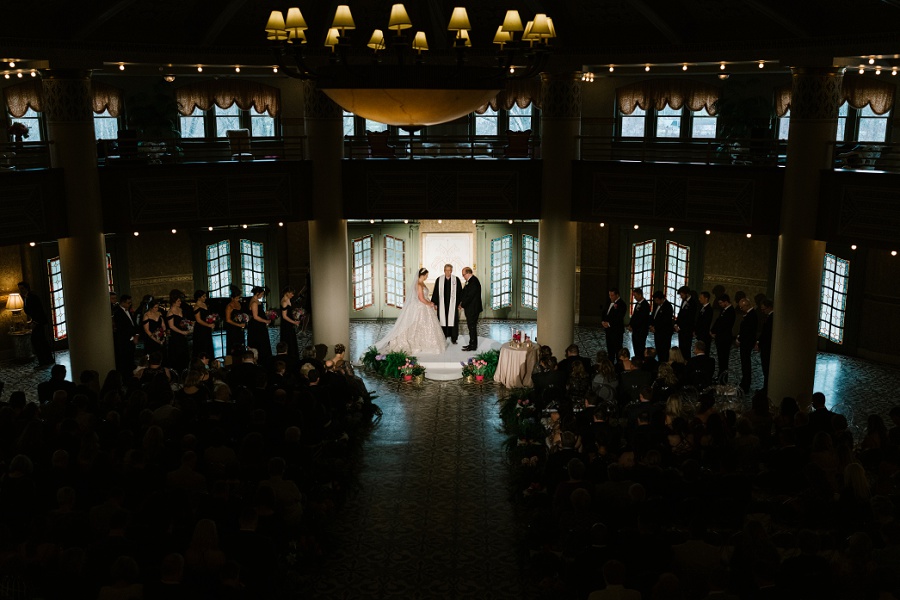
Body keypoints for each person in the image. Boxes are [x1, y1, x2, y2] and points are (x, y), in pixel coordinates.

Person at [374, 268, 446, 355]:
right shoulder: (419, 284)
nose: (427, 277)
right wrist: (429, 304)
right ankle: (417, 343)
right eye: (426, 275)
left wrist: (430, 303)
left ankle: (423, 343)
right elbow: (421, 298)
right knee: (419, 325)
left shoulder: (422, 283)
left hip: (425, 306)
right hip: (421, 307)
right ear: (423, 275)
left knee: (425, 326)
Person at [17, 281, 54, 366]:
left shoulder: (33, 297)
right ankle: (47, 360)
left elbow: (38, 311)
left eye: (22, 288)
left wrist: (35, 322)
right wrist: (31, 321)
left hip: (39, 322)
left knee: (37, 341)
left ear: (26, 288)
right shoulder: (26, 298)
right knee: (41, 341)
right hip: (36, 321)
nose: (21, 290)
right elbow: (32, 312)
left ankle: (44, 361)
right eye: (19, 289)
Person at [431, 264, 463, 344]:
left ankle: (454, 338)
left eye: (450, 270)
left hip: (453, 304)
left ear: (452, 271)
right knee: (442, 320)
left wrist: (460, 303)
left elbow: (460, 292)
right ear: (444, 270)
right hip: (442, 304)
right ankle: (443, 336)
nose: (448, 272)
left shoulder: (456, 279)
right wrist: (435, 303)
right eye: (447, 270)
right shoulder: (439, 279)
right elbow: (435, 292)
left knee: (453, 320)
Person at [736, 297, 758, 392]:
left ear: (746, 305)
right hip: (746, 342)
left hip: (746, 342)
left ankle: (746, 383)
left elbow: (748, 331)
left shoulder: (751, 315)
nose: (741, 309)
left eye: (741, 307)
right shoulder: (750, 314)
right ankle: (744, 381)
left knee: (746, 363)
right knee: (745, 363)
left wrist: (740, 339)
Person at [711, 293, 735, 380]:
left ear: (726, 302)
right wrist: (712, 330)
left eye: (721, 303)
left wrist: (716, 332)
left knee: (724, 360)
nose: (720, 304)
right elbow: (718, 321)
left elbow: (725, 325)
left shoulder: (731, 311)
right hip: (720, 338)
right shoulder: (724, 310)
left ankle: (723, 378)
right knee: (720, 359)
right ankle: (720, 375)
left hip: (725, 339)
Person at [113, 294, 138, 376]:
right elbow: (121, 329)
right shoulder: (117, 312)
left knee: (131, 359)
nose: (130, 304)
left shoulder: (129, 311)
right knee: (125, 361)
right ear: (122, 303)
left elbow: (133, 324)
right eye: (128, 303)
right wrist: (131, 337)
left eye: (130, 302)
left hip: (131, 341)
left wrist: (136, 335)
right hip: (124, 342)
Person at [165, 290, 190, 373]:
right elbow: (171, 326)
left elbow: (184, 321)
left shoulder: (181, 309)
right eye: (178, 301)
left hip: (183, 337)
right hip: (175, 337)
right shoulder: (170, 312)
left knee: (185, 355)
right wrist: (182, 332)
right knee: (177, 356)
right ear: (173, 301)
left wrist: (189, 326)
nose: (180, 302)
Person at [458, 267, 482, 351]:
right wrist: (460, 302)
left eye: (463, 275)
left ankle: (473, 345)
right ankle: (471, 344)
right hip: (471, 308)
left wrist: (462, 304)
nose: (463, 276)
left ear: (468, 273)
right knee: (471, 327)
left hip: (473, 309)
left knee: (472, 327)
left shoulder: (474, 281)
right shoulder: (470, 281)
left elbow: (470, 296)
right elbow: (465, 293)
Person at [247, 286, 273, 361]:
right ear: (257, 293)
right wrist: (266, 321)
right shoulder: (254, 302)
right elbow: (255, 316)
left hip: (259, 325)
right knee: (260, 343)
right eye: (261, 294)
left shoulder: (256, 300)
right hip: (256, 326)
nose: (262, 296)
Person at [601, 287, 626, 360]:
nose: (610, 297)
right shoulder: (608, 302)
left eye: (612, 295)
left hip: (616, 331)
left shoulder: (622, 304)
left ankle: (619, 366)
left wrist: (609, 324)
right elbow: (604, 312)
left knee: (618, 349)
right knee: (610, 349)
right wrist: (603, 321)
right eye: (609, 295)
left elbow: (618, 317)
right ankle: (610, 365)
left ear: (617, 295)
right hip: (608, 330)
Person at [650, 290, 674, 363]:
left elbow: (665, 321)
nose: (656, 302)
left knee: (664, 351)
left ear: (662, 299)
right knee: (659, 350)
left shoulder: (668, 306)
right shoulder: (656, 305)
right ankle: (660, 364)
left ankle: (664, 366)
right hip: (657, 333)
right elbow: (653, 316)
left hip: (664, 333)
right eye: (655, 300)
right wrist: (651, 325)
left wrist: (656, 328)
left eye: (657, 300)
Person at [674, 285, 697, 360]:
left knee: (686, 348)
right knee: (681, 347)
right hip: (681, 329)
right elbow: (680, 314)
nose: (681, 296)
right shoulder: (684, 301)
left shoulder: (693, 302)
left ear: (687, 294)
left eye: (682, 295)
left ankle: (686, 362)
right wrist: (676, 324)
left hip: (687, 329)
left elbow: (691, 317)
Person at [628, 287, 651, 361]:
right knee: (636, 346)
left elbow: (642, 319)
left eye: (635, 296)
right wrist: (630, 325)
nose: (634, 298)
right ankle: (637, 359)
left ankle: (640, 361)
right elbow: (634, 316)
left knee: (640, 347)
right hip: (636, 330)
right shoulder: (637, 304)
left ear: (640, 295)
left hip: (641, 330)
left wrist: (633, 326)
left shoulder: (645, 305)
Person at [191, 290, 215, 361]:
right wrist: (208, 325)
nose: (205, 298)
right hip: (200, 329)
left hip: (206, 328)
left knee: (208, 345)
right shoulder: (196, 306)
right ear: (199, 298)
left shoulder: (204, 304)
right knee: (202, 346)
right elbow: (198, 320)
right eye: (203, 296)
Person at [757, 298, 774, 392]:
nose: (762, 311)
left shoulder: (772, 318)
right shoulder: (770, 317)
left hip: (767, 347)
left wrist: (760, 343)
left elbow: (767, 333)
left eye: (764, 309)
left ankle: (766, 388)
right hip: (765, 346)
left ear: (769, 307)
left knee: (766, 368)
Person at [279, 286, 301, 358]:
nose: (293, 295)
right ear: (287, 293)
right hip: (286, 324)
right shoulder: (284, 302)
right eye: (291, 293)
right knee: (289, 339)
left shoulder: (288, 299)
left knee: (291, 339)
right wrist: (294, 322)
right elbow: (284, 316)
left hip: (289, 323)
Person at [224, 287, 246, 357]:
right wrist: (238, 325)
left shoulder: (239, 304)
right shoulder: (229, 306)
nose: (238, 299)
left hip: (240, 328)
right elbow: (228, 320)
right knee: (233, 344)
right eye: (236, 298)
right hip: (232, 329)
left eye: (238, 298)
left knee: (241, 343)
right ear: (232, 298)